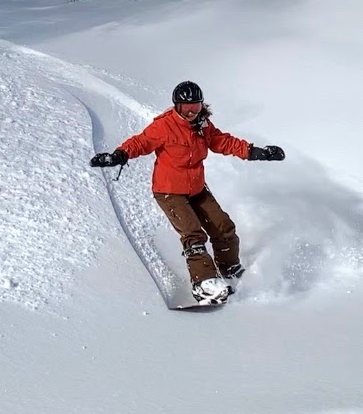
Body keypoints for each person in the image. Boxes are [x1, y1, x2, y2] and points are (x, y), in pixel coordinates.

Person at [90, 81, 285, 304]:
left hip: (197, 189)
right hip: (169, 191)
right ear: (176, 107)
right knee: (194, 235)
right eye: (185, 107)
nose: (191, 111)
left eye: (195, 106)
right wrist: (118, 155)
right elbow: (141, 142)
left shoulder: (203, 125)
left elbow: (223, 142)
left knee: (224, 227)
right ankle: (204, 283)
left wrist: (257, 152)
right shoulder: (164, 126)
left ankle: (229, 268)